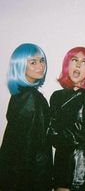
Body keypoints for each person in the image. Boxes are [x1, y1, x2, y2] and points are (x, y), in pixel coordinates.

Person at [47, 47, 85, 191]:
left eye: (84, 62)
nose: (78, 65)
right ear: (67, 65)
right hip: (62, 162)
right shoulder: (57, 96)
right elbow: (51, 133)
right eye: (74, 60)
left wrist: (64, 132)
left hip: (84, 165)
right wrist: (75, 134)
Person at [0, 43, 53, 191]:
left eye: (42, 61)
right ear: (19, 66)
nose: (40, 66)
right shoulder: (29, 97)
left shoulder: (20, 95)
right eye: (33, 62)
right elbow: (27, 146)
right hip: (30, 176)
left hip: (19, 174)